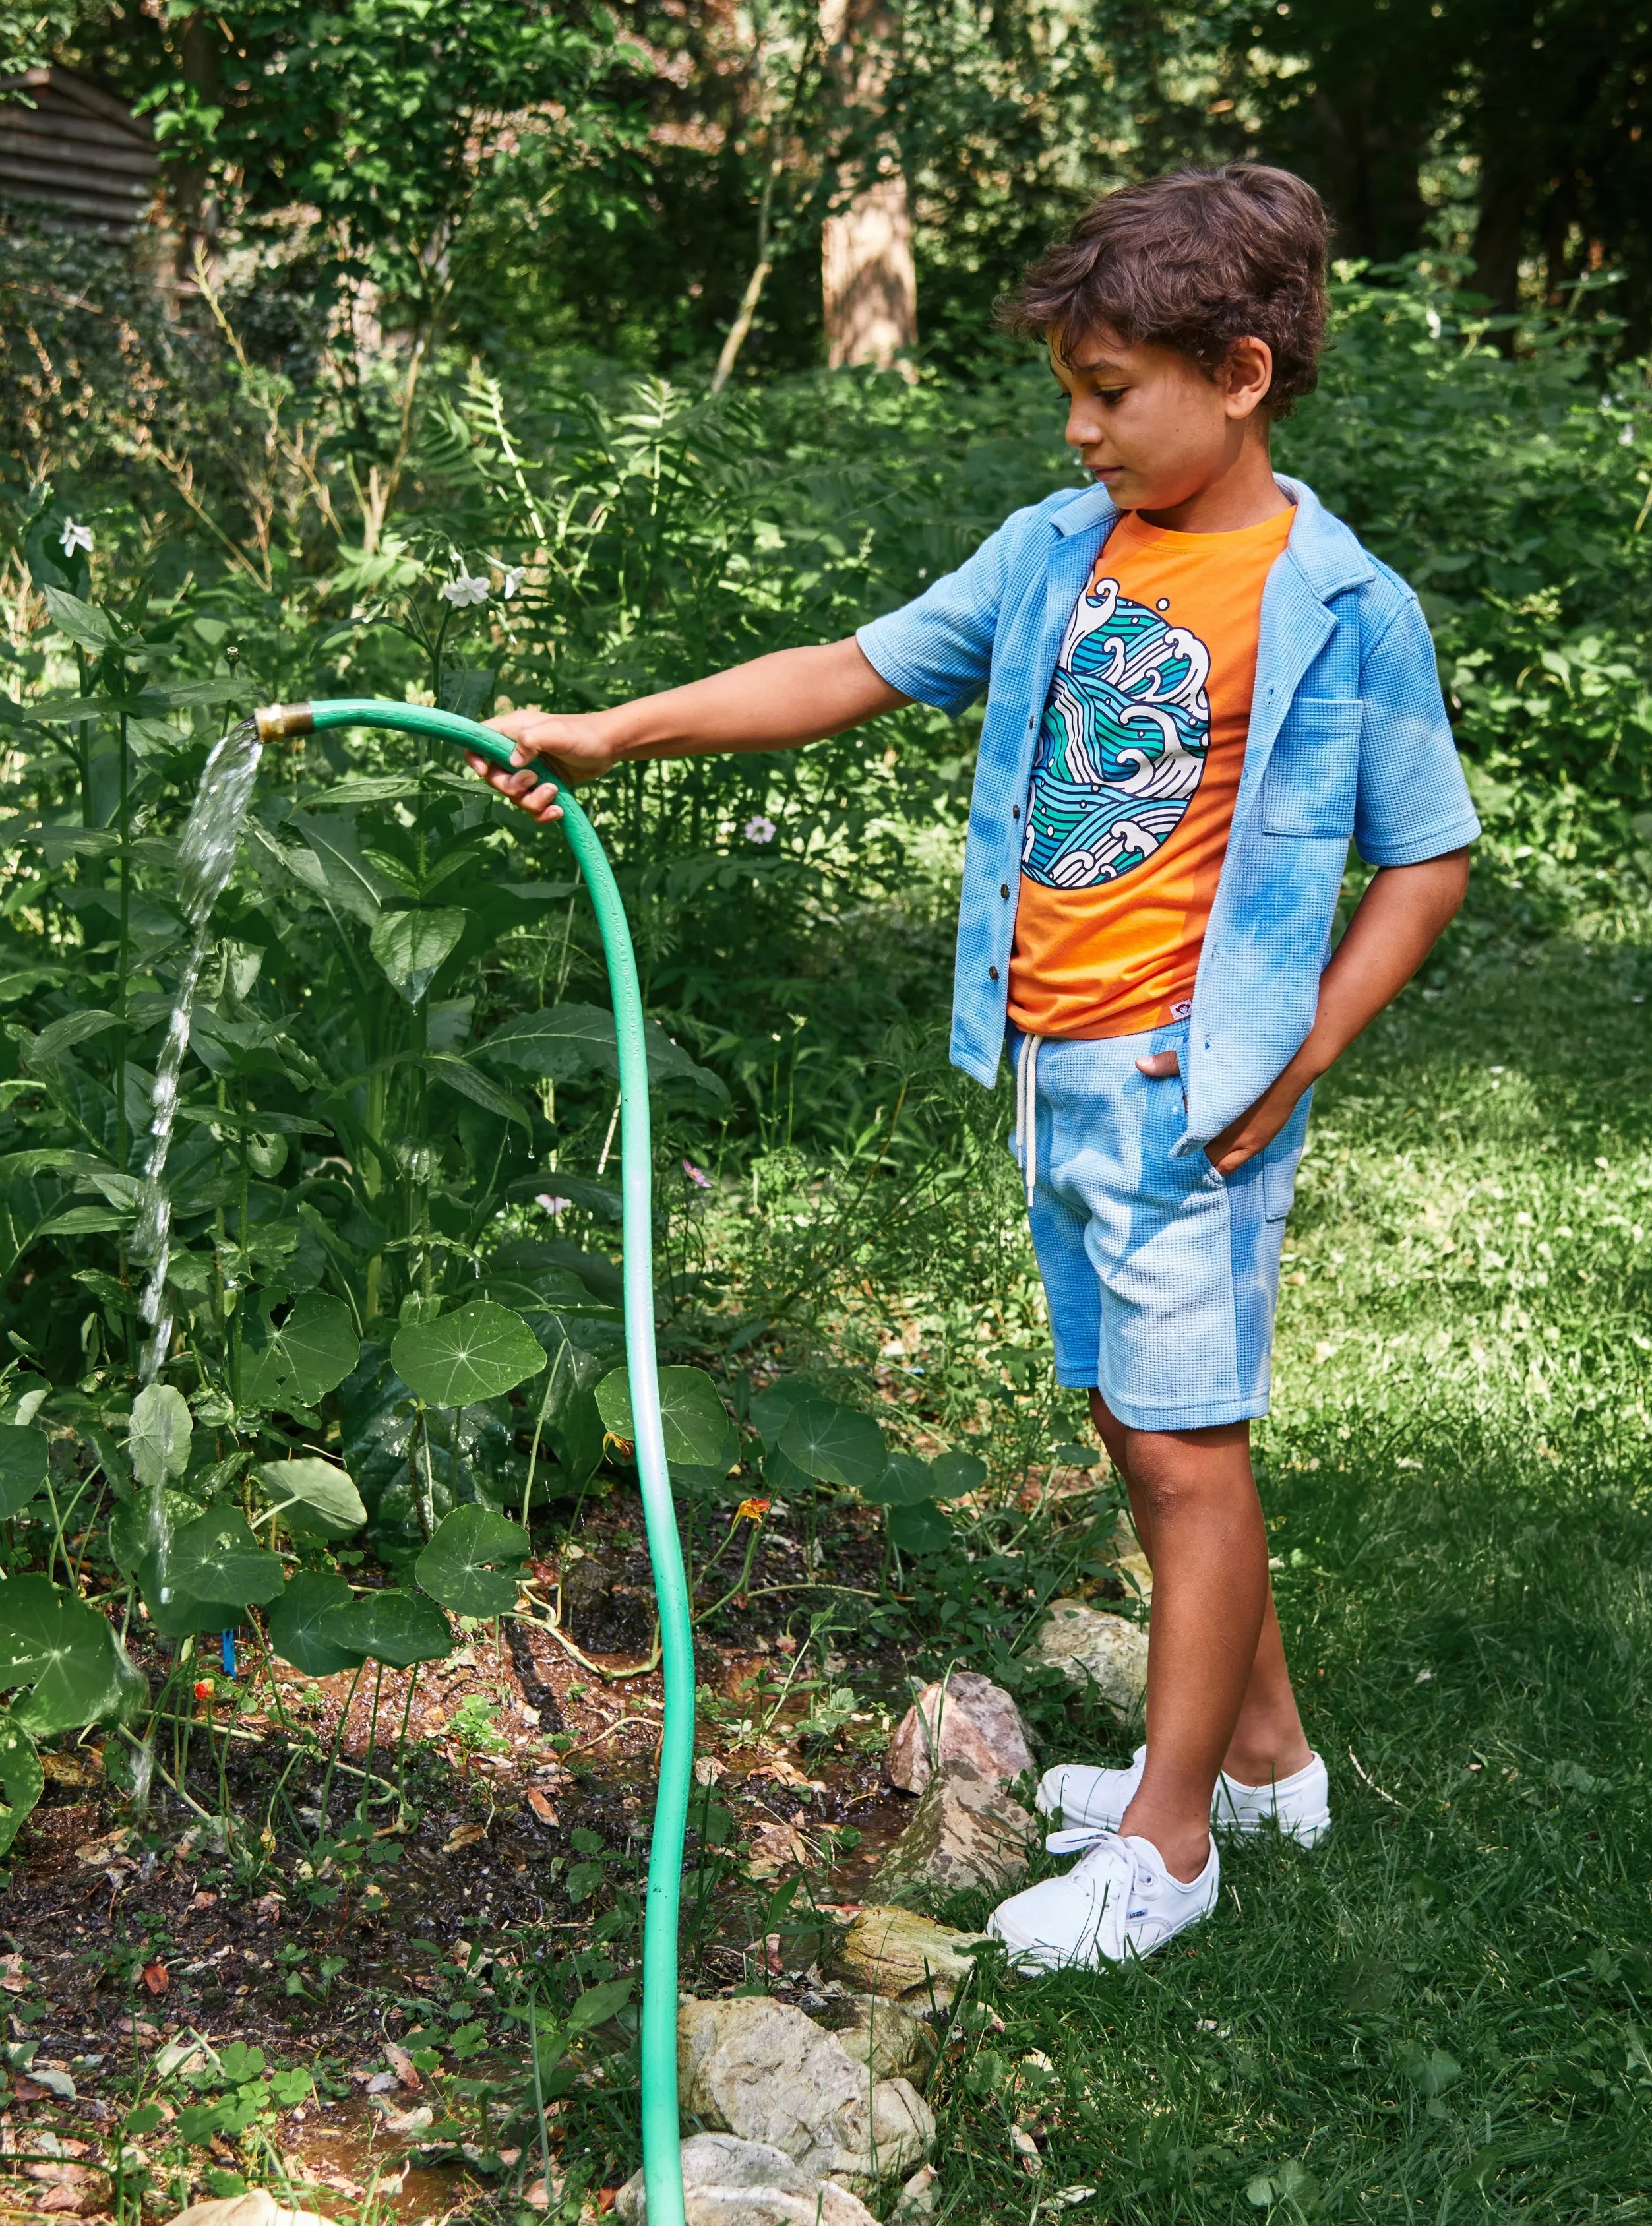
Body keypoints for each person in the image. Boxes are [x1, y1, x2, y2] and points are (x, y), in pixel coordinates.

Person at [477, 165, 1477, 1972]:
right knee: (1140, 1425)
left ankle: (1167, 1851)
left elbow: (1427, 853)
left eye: (1112, 391)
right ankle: (1259, 1758)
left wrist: (1293, 1061)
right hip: (1058, 1072)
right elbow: (848, 669)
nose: (1082, 428)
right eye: (1072, 396)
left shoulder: (1340, 605)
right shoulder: (1052, 554)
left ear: (1238, 372)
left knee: (1185, 1453)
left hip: (1197, 1083)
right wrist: (613, 730)